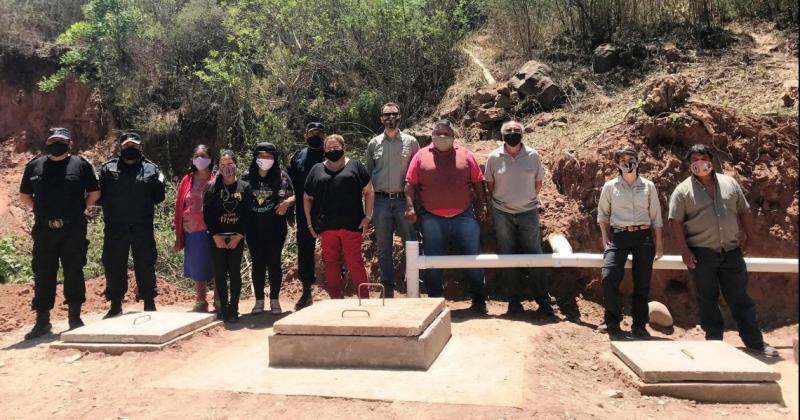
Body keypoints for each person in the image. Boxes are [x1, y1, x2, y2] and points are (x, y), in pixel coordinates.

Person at [668, 144, 778, 356]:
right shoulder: (683, 191)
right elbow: (675, 221)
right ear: (689, 165)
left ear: (712, 160)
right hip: (701, 254)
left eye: (703, 157)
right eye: (694, 160)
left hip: (731, 252)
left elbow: (744, 211)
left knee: (740, 298)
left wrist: (752, 238)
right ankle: (714, 344)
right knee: (707, 299)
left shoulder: (730, 184)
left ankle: (755, 342)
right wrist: (684, 249)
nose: (699, 162)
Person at [19, 128, 100, 339]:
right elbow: (25, 195)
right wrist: (39, 210)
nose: (57, 144)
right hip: (44, 230)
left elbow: (94, 192)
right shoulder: (34, 165)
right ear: (48, 142)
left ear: (69, 143)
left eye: (61, 141)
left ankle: (75, 318)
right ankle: (42, 322)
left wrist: (82, 208)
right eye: (53, 140)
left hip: (73, 229)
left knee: (74, 271)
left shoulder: (80, 165)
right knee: (43, 273)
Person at [404, 120, 488, 313]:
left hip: (464, 216)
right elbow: (410, 184)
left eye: (446, 133)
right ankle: (435, 302)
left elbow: (478, 181)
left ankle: (479, 300)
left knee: (474, 258)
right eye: (438, 133)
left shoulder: (465, 154)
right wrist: (409, 207)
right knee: (432, 261)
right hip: (432, 219)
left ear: (453, 135)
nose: (442, 136)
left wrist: (482, 204)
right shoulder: (421, 155)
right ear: (432, 135)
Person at [484, 120, 554, 316]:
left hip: (528, 212)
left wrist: (526, 199)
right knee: (507, 255)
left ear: (522, 134)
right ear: (502, 134)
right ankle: (513, 302)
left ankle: (543, 302)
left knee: (535, 255)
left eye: (516, 130)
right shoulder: (494, 157)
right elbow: (490, 185)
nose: (512, 133)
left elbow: (538, 183)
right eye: (508, 130)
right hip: (502, 213)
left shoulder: (533, 155)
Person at [596, 146, 664, 337]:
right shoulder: (610, 186)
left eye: (631, 158)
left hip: (643, 236)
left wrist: (659, 244)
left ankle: (640, 325)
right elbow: (603, 214)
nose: (628, 162)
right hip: (619, 236)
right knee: (609, 277)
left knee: (642, 283)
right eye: (623, 159)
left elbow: (656, 216)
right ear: (617, 164)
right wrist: (605, 237)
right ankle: (612, 321)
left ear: (638, 161)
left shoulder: (648, 186)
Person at [98, 132, 166, 318]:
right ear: (121, 147)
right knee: (114, 264)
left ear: (139, 147)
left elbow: (159, 196)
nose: (130, 149)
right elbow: (98, 196)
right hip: (115, 227)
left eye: (134, 146)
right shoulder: (107, 169)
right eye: (127, 146)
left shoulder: (152, 170)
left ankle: (149, 302)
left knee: (145, 263)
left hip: (142, 226)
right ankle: (115, 305)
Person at [303, 134, 374, 299]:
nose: (332, 150)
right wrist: (309, 224)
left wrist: (368, 216)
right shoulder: (317, 169)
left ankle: (365, 299)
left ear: (344, 148)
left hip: (352, 225)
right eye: (329, 148)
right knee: (331, 263)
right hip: (326, 227)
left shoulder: (355, 166)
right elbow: (307, 198)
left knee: (354, 262)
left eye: (336, 148)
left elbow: (369, 191)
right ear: (324, 149)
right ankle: (336, 300)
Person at [365, 102, 420, 297]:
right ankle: (387, 287)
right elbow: (368, 176)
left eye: (394, 114)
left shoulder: (411, 142)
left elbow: (416, 173)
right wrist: (367, 209)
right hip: (380, 202)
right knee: (383, 247)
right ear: (381, 119)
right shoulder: (373, 144)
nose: (390, 118)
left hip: (403, 201)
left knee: (411, 243)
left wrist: (412, 202)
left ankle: (412, 283)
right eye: (386, 115)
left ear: (400, 116)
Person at [243, 142, 295, 314]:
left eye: (269, 156)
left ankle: (274, 300)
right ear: (255, 157)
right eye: (261, 156)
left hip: (276, 229)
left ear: (275, 158)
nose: (265, 159)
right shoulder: (246, 177)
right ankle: (258, 301)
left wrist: (288, 202)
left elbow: (295, 194)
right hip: (253, 229)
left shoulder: (282, 177)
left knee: (274, 263)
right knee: (257, 264)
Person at [203, 149, 252, 323]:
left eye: (229, 164)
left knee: (234, 273)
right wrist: (215, 236)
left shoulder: (245, 187)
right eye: (222, 165)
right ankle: (223, 308)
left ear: (236, 165)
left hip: (236, 237)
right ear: (218, 167)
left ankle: (234, 308)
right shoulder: (211, 187)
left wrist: (239, 235)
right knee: (220, 273)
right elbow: (207, 214)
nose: (226, 168)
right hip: (216, 238)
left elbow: (248, 214)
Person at [287, 122, 326, 309]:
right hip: (304, 213)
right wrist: (289, 210)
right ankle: (306, 292)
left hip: (330, 211)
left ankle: (339, 290)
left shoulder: (331, 154)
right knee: (304, 251)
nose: (316, 136)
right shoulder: (297, 157)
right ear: (305, 135)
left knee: (335, 249)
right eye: (312, 133)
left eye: (319, 133)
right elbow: (288, 185)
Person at [174, 145, 216, 312]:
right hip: (191, 229)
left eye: (203, 156)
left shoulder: (215, 179)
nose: (200, 159)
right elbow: (179, 205)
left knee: (216, 264)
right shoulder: (187, 180)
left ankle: (219, 300)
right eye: (197, 156)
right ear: (192, 159)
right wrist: (178, 231)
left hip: (211, 229)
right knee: (197, 266)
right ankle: (201, 300)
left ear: (210, 159)